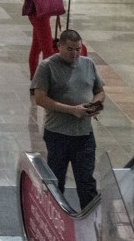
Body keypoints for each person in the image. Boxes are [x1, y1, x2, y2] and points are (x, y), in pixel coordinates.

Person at [33, 29, 104, 208]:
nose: (75, 54)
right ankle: (54, 219)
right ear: (59, 46)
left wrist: (95, 106)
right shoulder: (47, 66)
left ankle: (91, 224)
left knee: (86, 182)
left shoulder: (88, 64)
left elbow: (99, 91)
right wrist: (72, 110)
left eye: (78, 49)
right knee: (56, 181)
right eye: (70, 49)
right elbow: (40, 99)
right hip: (58, 134)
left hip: (84, 134)